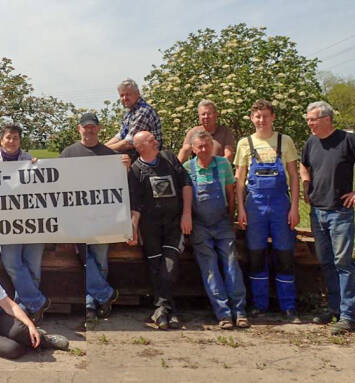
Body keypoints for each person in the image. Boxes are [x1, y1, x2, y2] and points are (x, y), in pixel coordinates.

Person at [300, 101, 355, 335]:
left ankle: (348, 316)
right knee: (326, 263)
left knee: (343, 264)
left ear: (327, 119)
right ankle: (334, 309)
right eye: (308, 119)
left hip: (340, 213)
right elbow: (303, 165)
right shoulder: (311, 142)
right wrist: (306, 186)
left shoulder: (348, 140)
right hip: (318, 211)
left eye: (312, 120)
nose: (309, 124)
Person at [234, 99, 301, 323]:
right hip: (255, 205)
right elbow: (240, 181)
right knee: (256, 254)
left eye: (265, 116)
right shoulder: (245, 143)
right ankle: (260, 305)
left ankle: (288, 307)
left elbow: (293, 175)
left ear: (273, 117)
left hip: (281, 205)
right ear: (252, 118)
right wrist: (241, 209)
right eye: (257, 116)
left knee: (284, 254)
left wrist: (294, 207)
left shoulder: (285, 141)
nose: (261, 120)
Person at [60, 112, 126, 327]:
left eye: (92, 127)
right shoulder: (68, 153)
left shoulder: (109, 154)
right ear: (79, 129)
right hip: (77, 218)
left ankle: (95, 303)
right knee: (85, 260)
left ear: (98, 129)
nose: (89, 130)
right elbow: (55, 183)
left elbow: (120, 183)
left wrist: (125, 166)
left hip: (103, 218)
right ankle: (101, 297)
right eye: (85, 127)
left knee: (100, 260)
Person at [0, 124, 49, 322]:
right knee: (11, 263)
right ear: (1, 140)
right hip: (6, 222)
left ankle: (27, 310)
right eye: (8, 137)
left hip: (33, 221)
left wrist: (40, 166)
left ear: (20, 141)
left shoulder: (29, 159)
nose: (12, 141)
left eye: (15, 138)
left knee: (33, 266)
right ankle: (38, 302)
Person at [183, 130, 248, 329]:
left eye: (207, 146)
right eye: (200, 147)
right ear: (193, 149)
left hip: (222, 223)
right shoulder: (187, 168)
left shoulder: (222, 164)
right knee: (209, 268)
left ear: (212, 146)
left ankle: (240, 311)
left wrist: (231, 219)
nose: (204, 150)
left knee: (231, 266)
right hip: (199, 225)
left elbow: (230, 194)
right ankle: (223, 314)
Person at [127, 131, 192, 330]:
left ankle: (161, 308)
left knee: (169, 266)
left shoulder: (169, 158)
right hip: (151, 226)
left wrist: (187, 213)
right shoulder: (136, 170)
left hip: (175, 223)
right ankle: (166, 310)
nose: (156, 141)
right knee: (155, 267)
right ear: (140, 147)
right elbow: (136, 204)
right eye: (150, 140)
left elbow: (186, 184)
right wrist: (133, 229)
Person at [104, 78, 163, 158]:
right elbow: (120, 135)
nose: (124, 98)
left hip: (150, 160)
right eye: (122, 95)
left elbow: (129, 143)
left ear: (138, 93)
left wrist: (102, 151)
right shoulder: (129, 112)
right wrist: (101, 148)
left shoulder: (143, 111)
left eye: (128, 94)